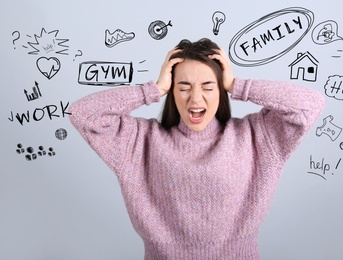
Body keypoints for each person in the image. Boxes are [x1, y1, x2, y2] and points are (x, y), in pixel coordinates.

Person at [69, 38, 325, 259]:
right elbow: (83, 114)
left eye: (207, 86)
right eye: (184, 87)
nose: (195, 98)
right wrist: (153, 90)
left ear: (221, 90)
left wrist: (238, 86)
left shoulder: (256, 136)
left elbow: (310, 105)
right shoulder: (140, 141)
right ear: (172, 91)